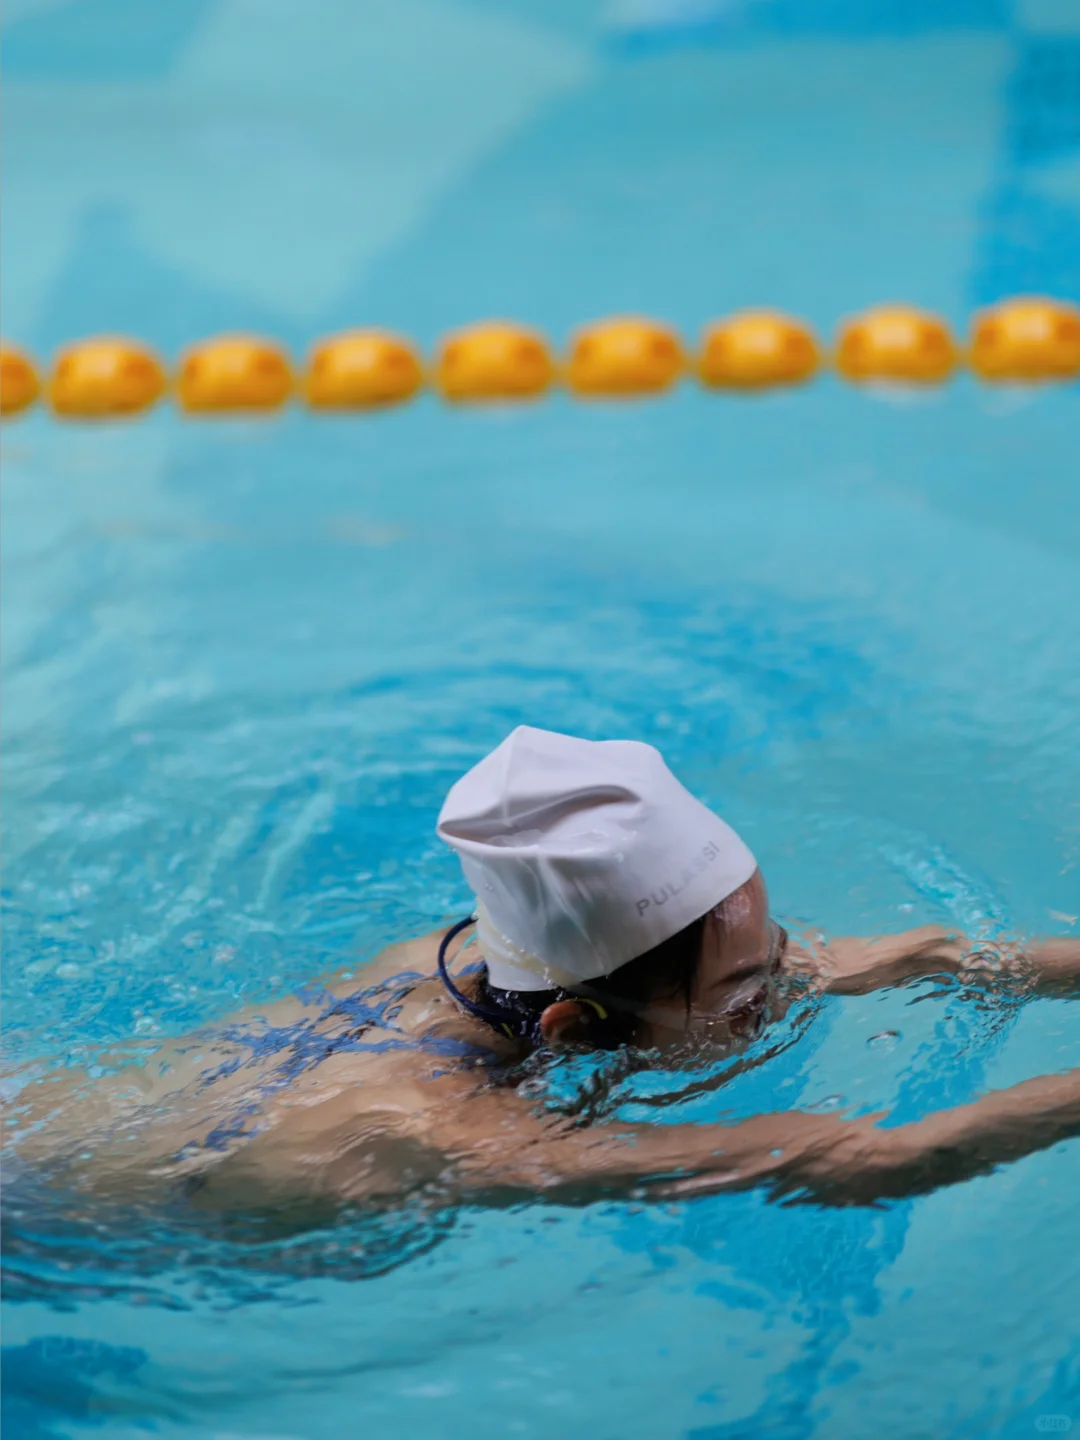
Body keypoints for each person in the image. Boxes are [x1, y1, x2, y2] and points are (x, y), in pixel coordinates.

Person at [9, 727, 1080, 1216]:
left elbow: (911, 956)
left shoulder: (483, 961)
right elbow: (862, 1161)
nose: (796, 981)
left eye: (776, 947)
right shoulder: (442, 1136)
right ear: (570, 1026)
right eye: (750, 991)